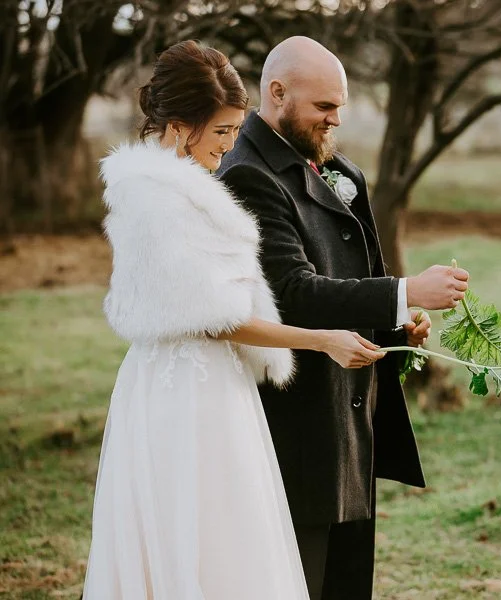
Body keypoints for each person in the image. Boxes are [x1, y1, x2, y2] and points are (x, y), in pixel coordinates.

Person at [81, 40, 386, 599]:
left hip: (216, 385)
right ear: (180, 126)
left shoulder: (189, 184)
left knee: (232, 537)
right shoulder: (156, 196)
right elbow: (215, 319)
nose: (229, 147)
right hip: (185, 391)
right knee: (201, 530)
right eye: (221, 133)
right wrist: (319, 340)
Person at [217, 36, 469, 599]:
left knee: (350, 583)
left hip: (351, 423)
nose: (336, 119)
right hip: (298, 426)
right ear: (277, 93)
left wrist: (397, 324)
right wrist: (405, 290)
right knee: (299, 581)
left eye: (340, 106)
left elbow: (354, 272)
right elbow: (290, 292)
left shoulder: (339, 170)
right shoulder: (246, 175)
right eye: (324, 107)